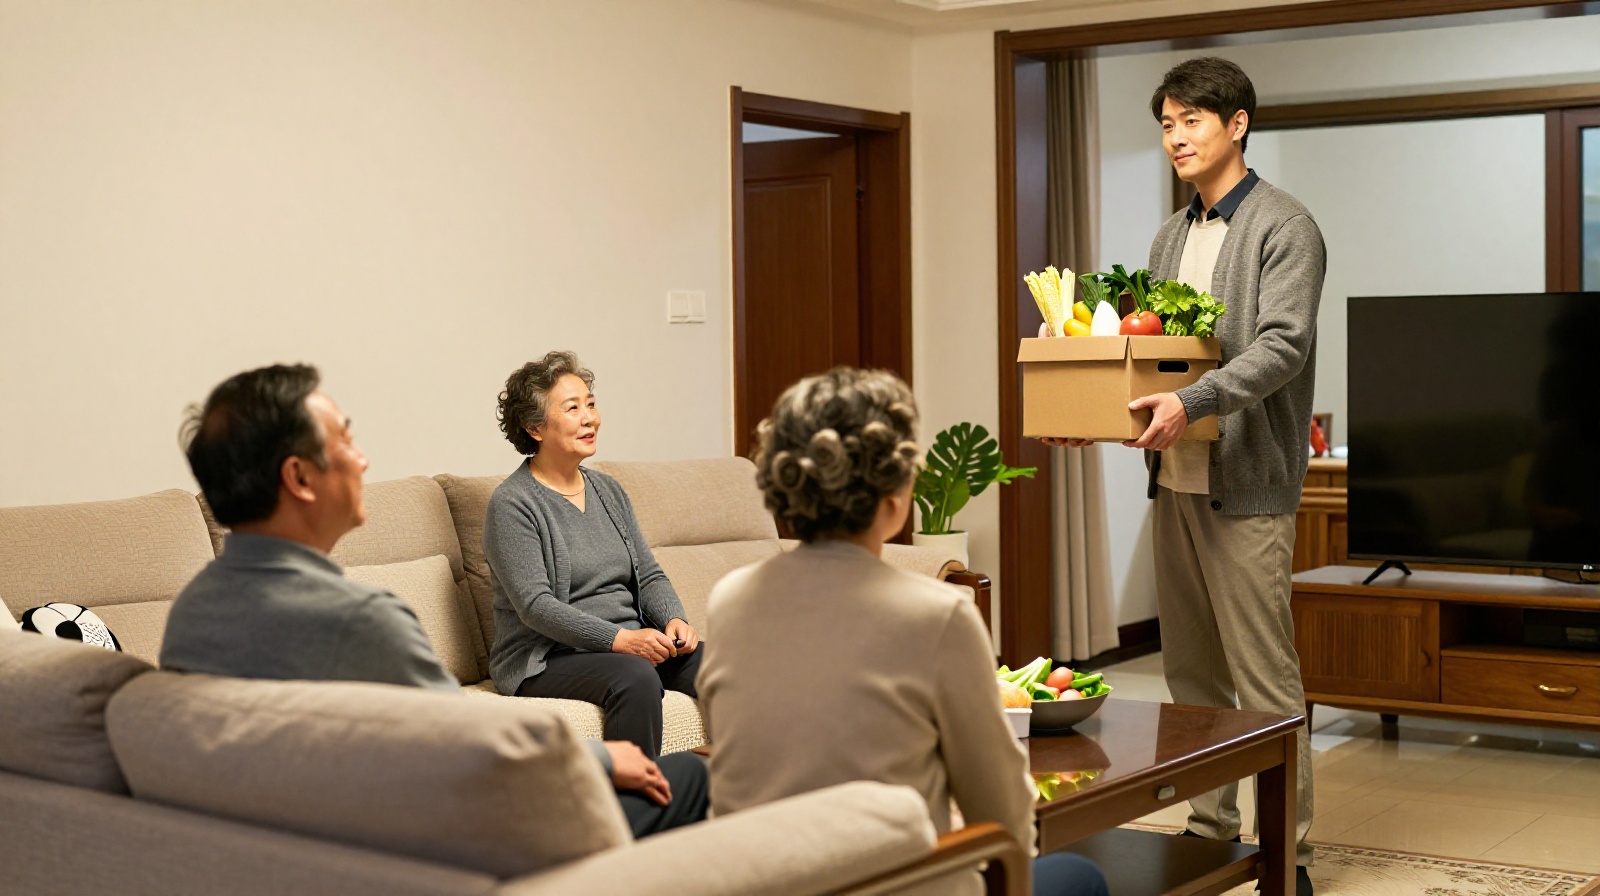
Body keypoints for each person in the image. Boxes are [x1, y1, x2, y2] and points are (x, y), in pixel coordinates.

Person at [160, 363, 706, 839]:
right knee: (699, 779)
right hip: (477, 840)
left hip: (330, 842)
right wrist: (604, 758)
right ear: (299, 477)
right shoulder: (361, 622)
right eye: (346, 442)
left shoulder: (192, 612)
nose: (365, 461)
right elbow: (476, 746)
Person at [1045, 56, 1322, 895]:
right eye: (1166, 124)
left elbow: (1283, 345)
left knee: (1265, 679)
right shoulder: (1171, 236)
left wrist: (1194, 399)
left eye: (1191, 121)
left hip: (1249, 485)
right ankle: (1211, 829)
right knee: (1191, 676)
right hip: (1177, 483)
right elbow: (1152, 352)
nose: (1176, 137)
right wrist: (1091, 416)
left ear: (1237, 124)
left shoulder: (1284, 224)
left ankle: (1290, 853)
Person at [701, 367, 1107, 896]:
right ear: (895, 498)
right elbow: (1000, 808)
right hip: (902, 882)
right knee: (1081, 877)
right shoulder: (936, 614)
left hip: (765, 880)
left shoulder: (730, 601)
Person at [485, 351, 700, 760]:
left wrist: (674, 618)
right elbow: (536, 607)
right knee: (635, 677)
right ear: (535, 428)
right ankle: (631, 813)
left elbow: (649, 575)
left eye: (591, 403)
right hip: (549, 657)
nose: (590, 418)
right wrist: (620, 640)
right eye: (572, 408)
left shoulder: (608, 490)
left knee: (720, 667)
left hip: (630, 643)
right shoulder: (513, 504)